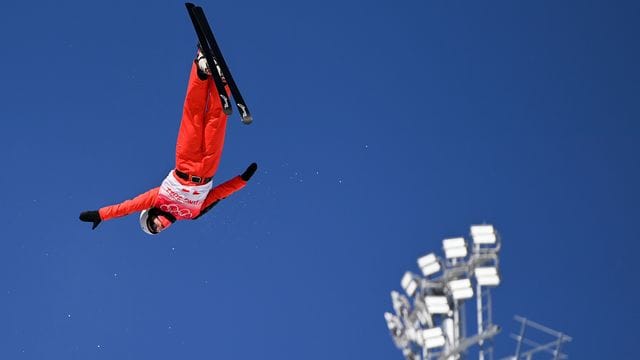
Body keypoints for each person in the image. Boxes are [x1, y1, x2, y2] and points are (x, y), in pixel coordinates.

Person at [79, 48, 257, 235]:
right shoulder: (192, 215)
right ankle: (220, 81)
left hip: (186, 162)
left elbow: (127, 207)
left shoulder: (158, 199)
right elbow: (217, 195)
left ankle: (200, 69)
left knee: (193, 116)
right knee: (216, 120)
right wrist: (241, 181)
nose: (159, 226)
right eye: (157, 230)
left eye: (153, 224)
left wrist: (101, 214)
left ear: (150, 214)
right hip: (208, 168)